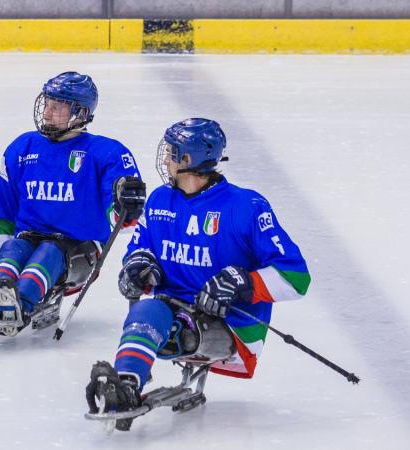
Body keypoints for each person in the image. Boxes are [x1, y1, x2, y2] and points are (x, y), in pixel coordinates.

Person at [85, 118, 311, 429]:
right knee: (148, 310)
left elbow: (297, 278)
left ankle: (131, 378)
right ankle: (125, 385)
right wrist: (137, 266)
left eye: (171, 152)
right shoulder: (160, 200)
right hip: (171, 310)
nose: (165, 159)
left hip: (228, 324)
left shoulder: (247, 207)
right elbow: (141, 247)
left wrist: (245, 282)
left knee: (177, 328)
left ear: (188, 160)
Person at [0, 71, 146, 337]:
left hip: (79, 250)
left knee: (50, 253)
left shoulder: (106, 153)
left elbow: (120, 216)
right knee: (13, 247)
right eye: (47, 104)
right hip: (30, 239)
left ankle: (19, 304)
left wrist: (125, 205)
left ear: (80, 112)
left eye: (57, 107)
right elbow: (5, 213)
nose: (47, 113)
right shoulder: (22, 148)